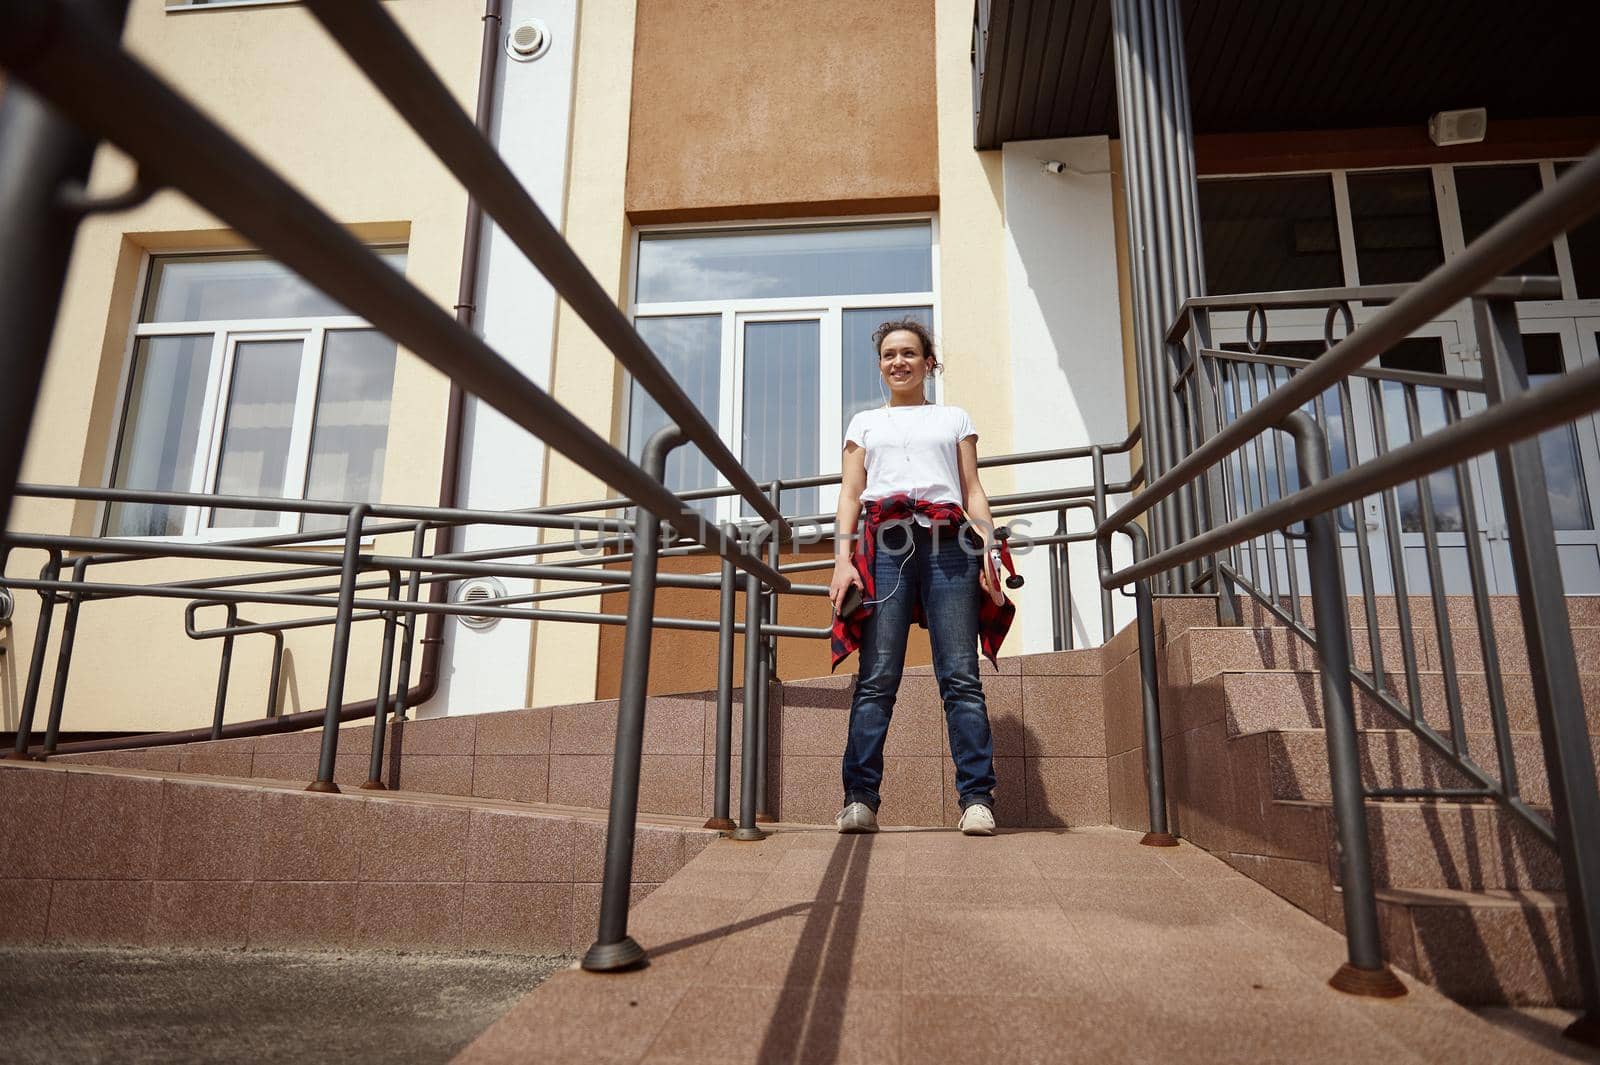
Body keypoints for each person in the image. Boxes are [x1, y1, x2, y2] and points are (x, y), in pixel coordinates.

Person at [827, 319, 1015, 837]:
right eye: (889, 355)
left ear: (928, 363)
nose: (899, 362)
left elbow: (972, 487)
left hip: (950, 547)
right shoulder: (863, 423)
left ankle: (977, 800)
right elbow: (849, 494)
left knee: (960, 677)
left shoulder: (954, 417)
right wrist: (843, 560)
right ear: (881, 365)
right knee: (876, 678)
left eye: (909, 353)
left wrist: (989, 548)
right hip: (885, 549)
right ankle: (859, 800)